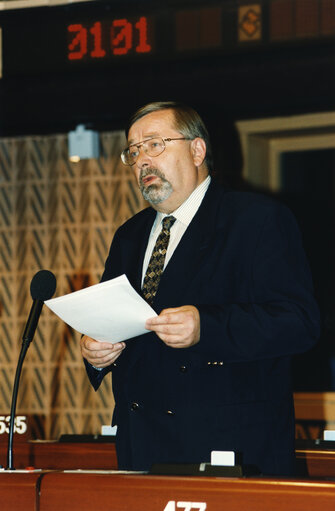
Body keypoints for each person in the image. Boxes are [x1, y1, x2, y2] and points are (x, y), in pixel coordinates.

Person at [80, 101, 320, 475]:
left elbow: (298, 322)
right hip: (140, 447)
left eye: (154, 144)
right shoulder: (129, 236)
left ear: (197, 150)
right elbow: (117, 320)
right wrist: (98, 352)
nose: (142, 159)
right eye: (133, 150)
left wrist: (207, 326)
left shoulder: (255, 220)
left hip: (229, 450)